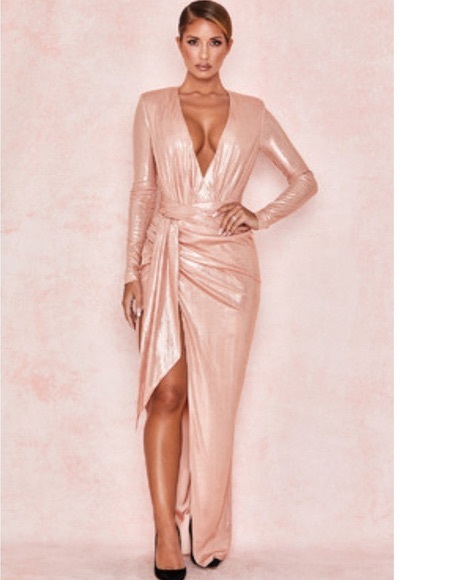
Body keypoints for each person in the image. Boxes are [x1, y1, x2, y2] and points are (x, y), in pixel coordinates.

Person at [121, 2, 318, 578]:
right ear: (178, 44)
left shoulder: (253, 112)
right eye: (193, 41)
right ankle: (166, 530)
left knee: (217, 407)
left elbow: (304, 179)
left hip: (231, 273)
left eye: (214, 42)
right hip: (167, 255)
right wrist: (131, 271)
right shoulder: (152, 106)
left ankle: (205, 527)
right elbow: (143, 190)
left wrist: (260, 215)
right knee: (167, 393)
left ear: (229, 47)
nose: (203, 54)